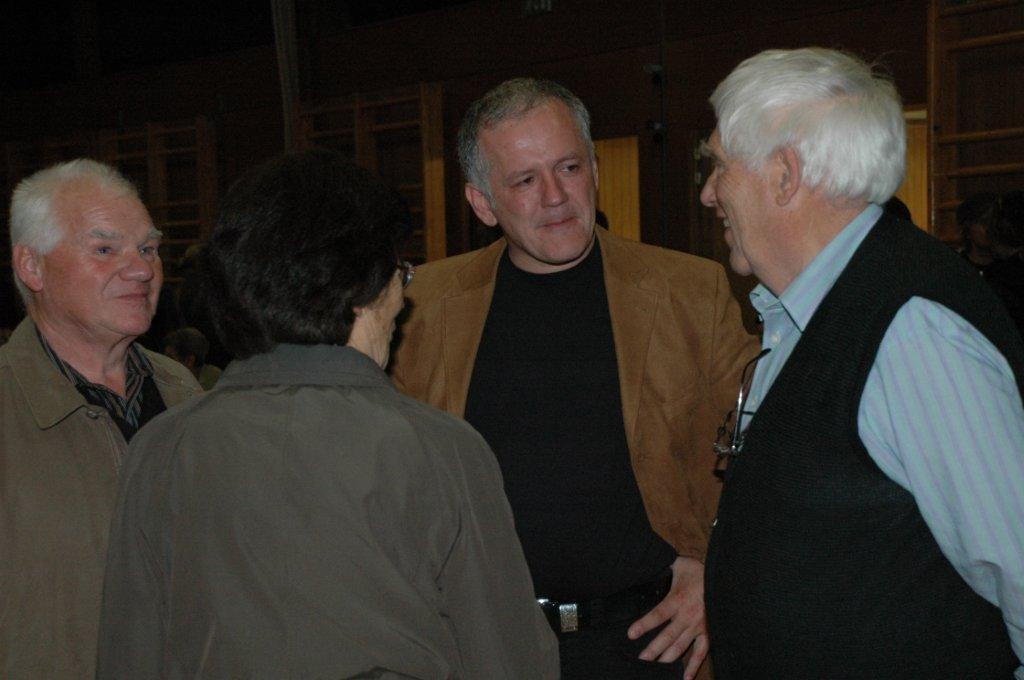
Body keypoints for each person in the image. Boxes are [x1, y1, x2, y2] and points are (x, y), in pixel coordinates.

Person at [96, 149, 559, 679]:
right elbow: (506, 659)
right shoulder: (441, 450)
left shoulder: (162, 448)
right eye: (400, 275)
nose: (402, 300)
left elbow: (130, 655)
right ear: (363, 288)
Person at [390, 78, 755, 680]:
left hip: (653, 642)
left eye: (569, 167)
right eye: (525, 180)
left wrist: (718, 571)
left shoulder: (689, 292)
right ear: (482, 203)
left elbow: (765, 456)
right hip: (480, 645)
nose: (556, 197)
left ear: (594, 169)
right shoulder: (420, 307)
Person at [699, 47, 1024, 678]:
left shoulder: (912, 328)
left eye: (719, 166)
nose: (710, 193)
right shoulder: (810, 309)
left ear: (784, 175)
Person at [0, 159, 200, 678]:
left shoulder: (184, 393)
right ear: (32, 266)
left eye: (148, 249)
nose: (142, 270)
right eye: (105, 250)